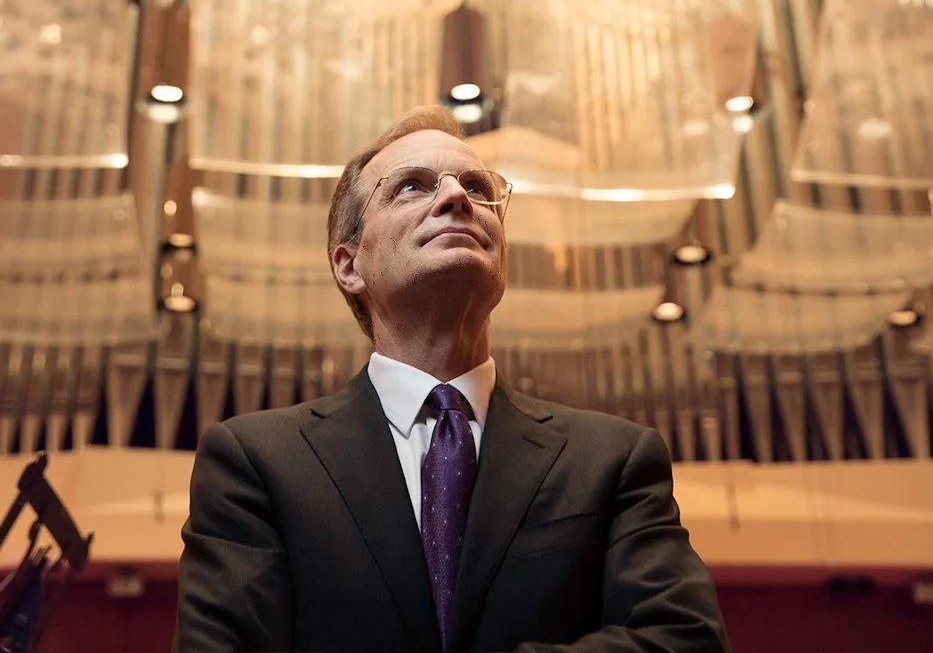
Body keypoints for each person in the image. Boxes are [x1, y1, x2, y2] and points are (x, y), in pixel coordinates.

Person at [174, 105, 731, 653]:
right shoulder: (257, 462)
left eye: (477, 187)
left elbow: (686, 639)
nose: (457, 197)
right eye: (411, 186)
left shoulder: (612, 459)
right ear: (349, 265)